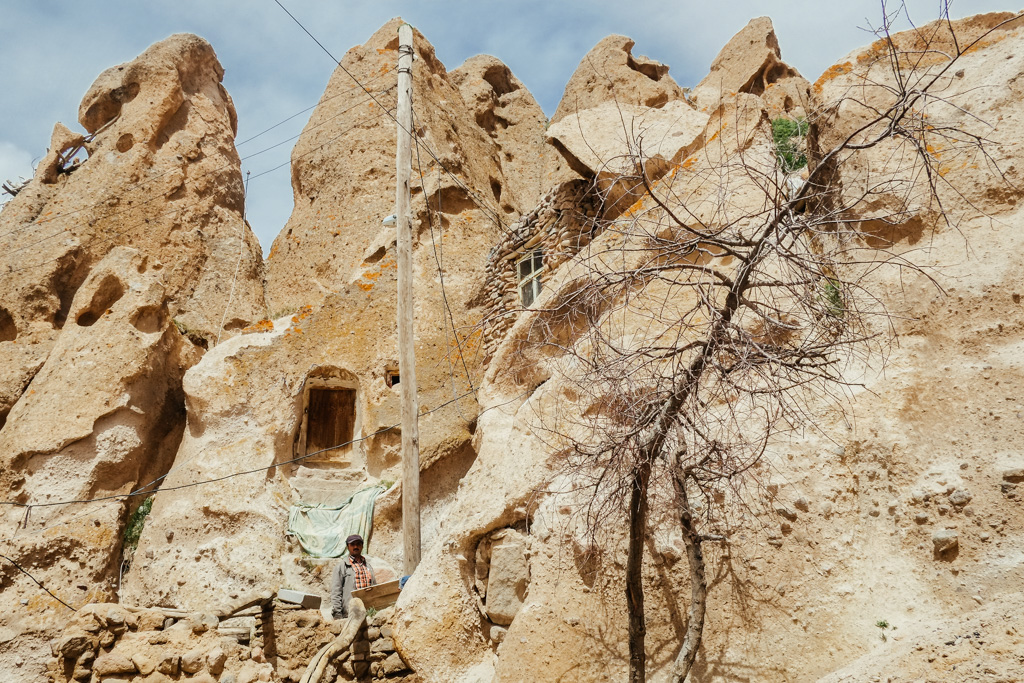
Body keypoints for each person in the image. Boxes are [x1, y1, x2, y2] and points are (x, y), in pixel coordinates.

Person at [331, 534, 377, 619]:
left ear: (362, 546)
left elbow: (374, 588)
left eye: (358, 544)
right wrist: (337, 615)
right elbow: (336, 592)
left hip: (368, 612)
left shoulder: (368, 566)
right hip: (350, 614)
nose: (355, 547)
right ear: (348, 547)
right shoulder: (342, 566)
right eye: (352, 544)